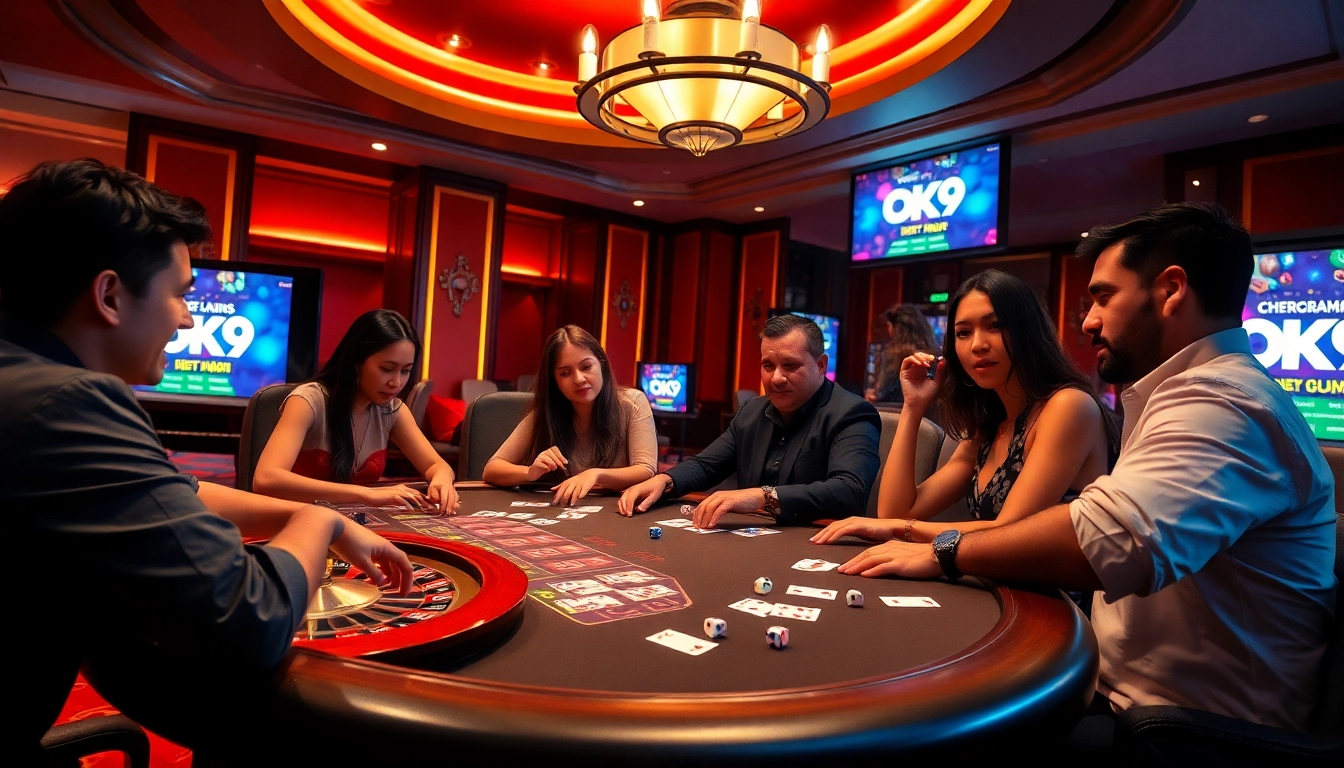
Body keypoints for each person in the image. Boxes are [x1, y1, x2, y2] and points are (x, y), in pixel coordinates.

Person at [826, 202, 1335, 736]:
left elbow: (1107, 537)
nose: (1088, 320)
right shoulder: (1181, 395)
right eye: (962, 331)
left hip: (1189, 735)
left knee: (918, 733)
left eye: (1103, 296)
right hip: (1111, 688)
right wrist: (913, 426)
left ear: (1171, 290)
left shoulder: (1225, 401)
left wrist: (939, 548)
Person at [0, 159, 414, 759]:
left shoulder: (20, 376)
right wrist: (315, 521)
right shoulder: (69, 402)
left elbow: (172, 488)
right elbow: (251, 619)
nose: (189, 317)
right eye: (180, 293)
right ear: (109, 295)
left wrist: (311, 517)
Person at [813, 270, 1115, 547]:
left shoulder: (1068, 406)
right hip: (994, 578)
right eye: (963, 333)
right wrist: (913, 408)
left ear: (1028, 331)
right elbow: (895, 511)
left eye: (994, 326)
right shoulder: (989, 427)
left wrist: (899, 529)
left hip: (1052, 588)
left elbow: (1010, 531)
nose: (977, 345)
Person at [619, 313, 881, 528]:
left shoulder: (851, 413)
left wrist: (762, 496)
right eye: (768, 366)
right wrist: (665, 481)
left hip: (820, 541)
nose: (776, 378)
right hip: (754, 539)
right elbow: (706, 466)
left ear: (821, 365)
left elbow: (849, 491)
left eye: (790, 366)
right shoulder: (752, 411)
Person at [253, 309, 460, 513]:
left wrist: (441, 480)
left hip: (354, 523)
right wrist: (365, 494)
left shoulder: (392, 410)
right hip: (297, 520)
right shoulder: (308, 401)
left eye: (405, 371)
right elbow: (266, 479)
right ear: (356, 362)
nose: (396, 382)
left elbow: (437, 465)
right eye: (387, 369)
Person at [483, 325, 658, 506]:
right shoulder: (546, 414)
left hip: (617, 511)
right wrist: (529, 473)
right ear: (555, 381)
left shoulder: (632, 403)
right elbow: (492, 469)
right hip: (561, 510)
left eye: (586, 367)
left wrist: (595, 474)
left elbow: (646, 468)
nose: (579, 379)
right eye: (565, 373)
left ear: (602, 365)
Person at [865, 304, 937, 404]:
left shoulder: (893, 355)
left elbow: (888, 395)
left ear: (896, 328)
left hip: (898, 412)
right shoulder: (933, 354)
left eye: (888, 326)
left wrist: (874, 397)